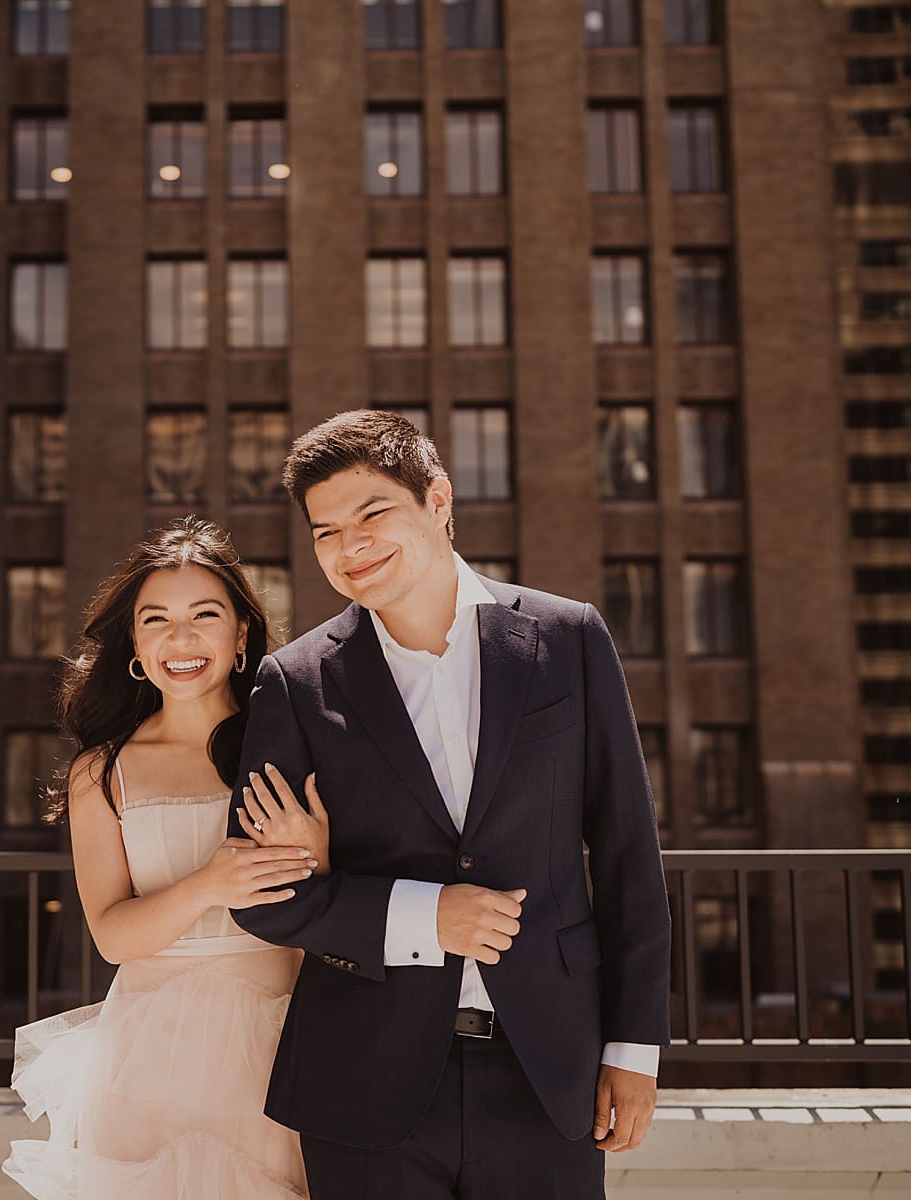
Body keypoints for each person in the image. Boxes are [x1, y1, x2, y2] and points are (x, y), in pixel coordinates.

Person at [230, 409, 671, 1199]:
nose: (349, 547)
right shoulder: (293, 683)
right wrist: (423, 916)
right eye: (325, 532)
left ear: (437, 501)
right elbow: (263, 897)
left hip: (550, 1071)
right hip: (364, 1082)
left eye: (372, 515)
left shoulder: (567, 637)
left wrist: (633, 1049)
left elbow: (629, 854)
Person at [3, 516, 319, 1199]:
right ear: (135, 648)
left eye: (205, 615)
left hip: (277, 1041)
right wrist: (210, 883)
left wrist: (319, 858)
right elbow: (115, 936)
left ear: (240, 637)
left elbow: (332, 912)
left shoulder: (295, 750)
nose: (181, 638)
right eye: (157, 620)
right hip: (147, 1055)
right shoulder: (103, 772)